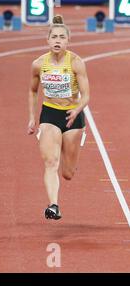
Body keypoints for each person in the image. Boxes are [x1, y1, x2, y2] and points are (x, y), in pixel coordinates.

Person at [27, 15, 90, 220]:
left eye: (62, 37)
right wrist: (31, 117)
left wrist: (77, 109)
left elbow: (86, 95)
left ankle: (71, 156)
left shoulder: (76, 63)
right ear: (47, 40)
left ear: (67, 41)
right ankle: (54, 205)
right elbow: (33, 91)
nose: (57, 40)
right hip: (50, 114)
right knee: (50, 162)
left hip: (73, 116)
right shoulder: (38, 64)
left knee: (67, 173)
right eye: (54, 36)